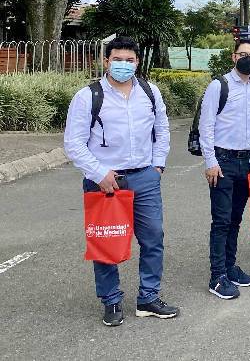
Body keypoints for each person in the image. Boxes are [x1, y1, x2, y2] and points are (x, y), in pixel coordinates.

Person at [63, 36, 179, 326]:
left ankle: (148, 297)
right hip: (104, 181)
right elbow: (74, 143)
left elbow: (162, 130)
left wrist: (158, 165)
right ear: (106, 61)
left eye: (130, 60)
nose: (123, 65)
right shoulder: (88, 96)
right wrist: (98, 173)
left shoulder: (150, 92)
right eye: (117, 59)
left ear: (137, 62)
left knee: (153, 239)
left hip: (144, 178)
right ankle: (111, 301)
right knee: (107, 242)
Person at [199, 38, 250, 300]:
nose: (248, 58)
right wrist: (210, 162)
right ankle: (217, 276)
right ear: (233, 57)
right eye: (243, 53)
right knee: (222, 220)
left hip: (247, 161)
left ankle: (230, 266)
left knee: (236, 218)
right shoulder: (219, 85)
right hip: (223, 162)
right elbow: (206, 127)